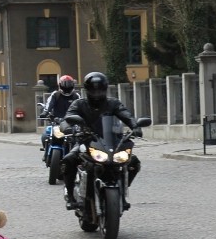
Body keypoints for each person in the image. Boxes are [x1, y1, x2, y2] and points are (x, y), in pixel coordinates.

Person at [60, 71, 142, 210]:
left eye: (100, 90)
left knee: (133, 162)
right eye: (93, 90)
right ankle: (71, 196)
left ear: (105, 89)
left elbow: (125, 114)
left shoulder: (113, 103)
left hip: (112, 142)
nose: (97, 93)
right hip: (87, 141)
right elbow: (68, 118)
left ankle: (121, 190)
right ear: (87, 90)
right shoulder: (79, 104)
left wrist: (135, 126)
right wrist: (67, 128)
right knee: (69, 160)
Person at [40, 75, 81, 153]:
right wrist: (45, 112)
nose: (67, 87)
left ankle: (75, 155)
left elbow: (81, 107)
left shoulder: (76, 96)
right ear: (60, 85)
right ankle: (46, 150)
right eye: (65, 85)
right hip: (56, 122)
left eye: (69, 85)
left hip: (72, 123)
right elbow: (49, 104)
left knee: (79, 138)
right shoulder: (55, 95)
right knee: (45, 135)